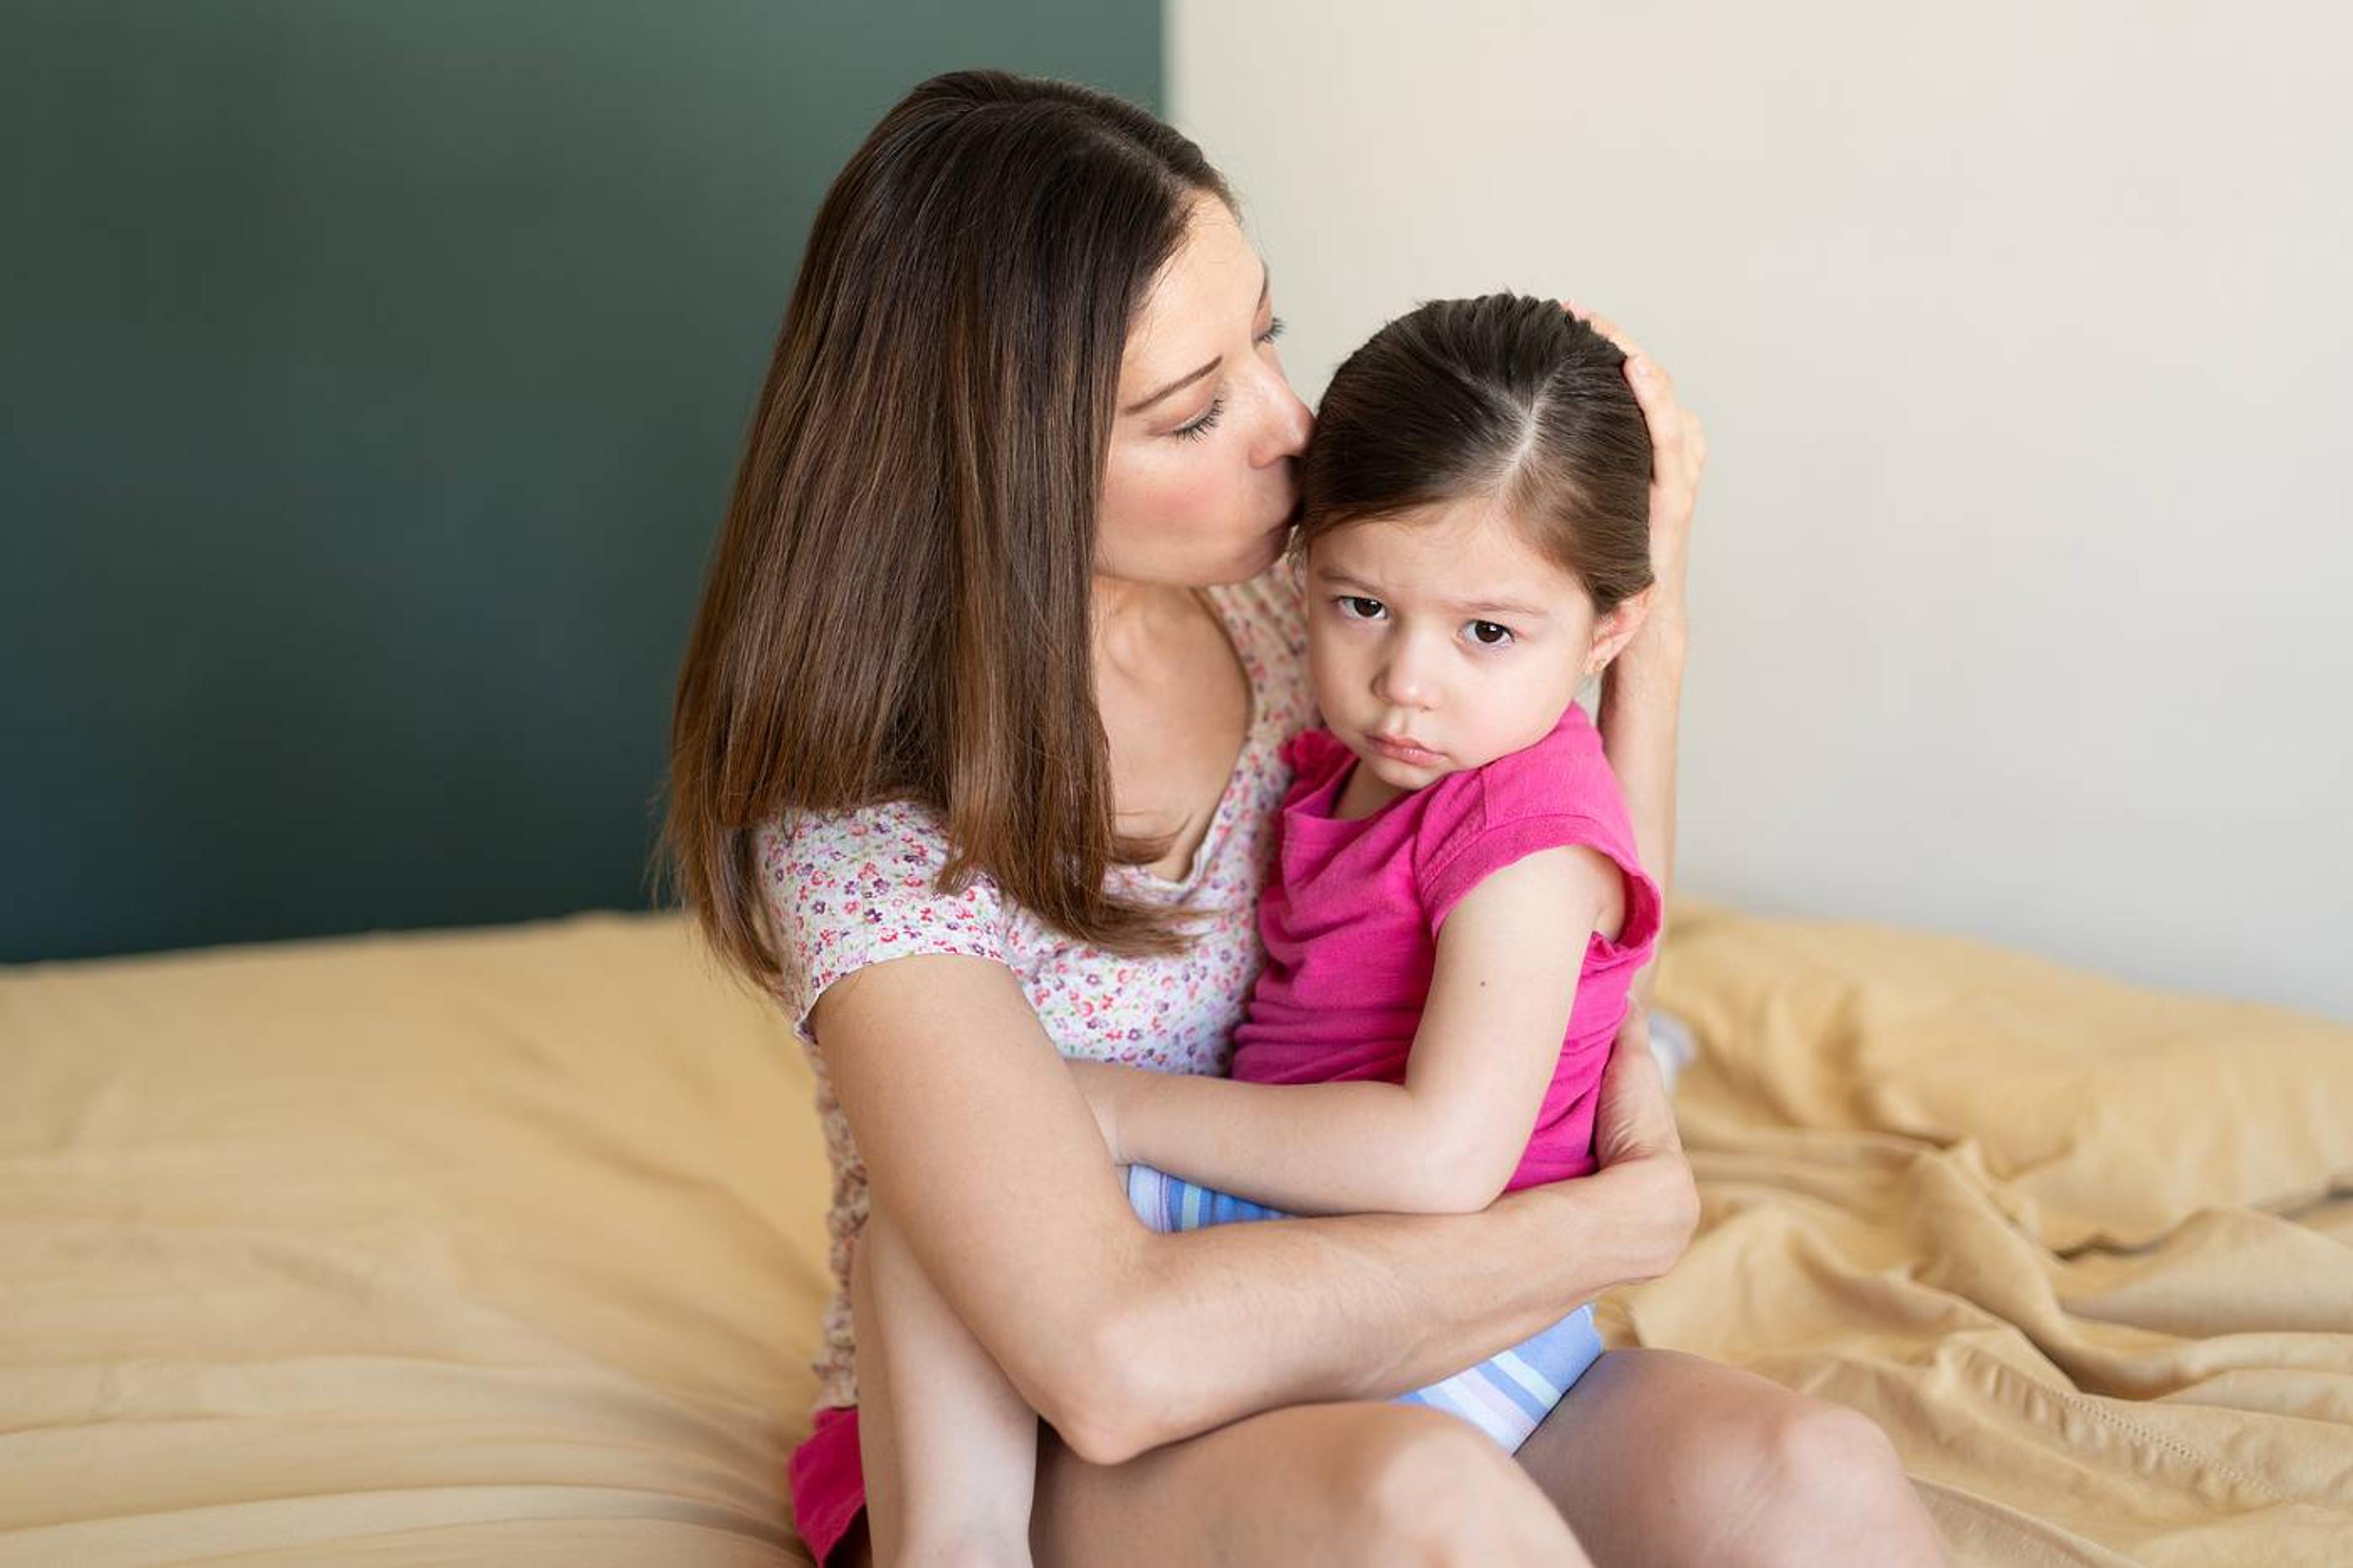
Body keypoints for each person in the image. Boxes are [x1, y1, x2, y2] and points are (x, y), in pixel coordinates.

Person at [664, 67, 1949, 1568]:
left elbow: (1550, 933)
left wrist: (1644, 632)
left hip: (1369, 1302)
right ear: (1002, 464)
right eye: (1194, 410)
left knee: (1812, 1474)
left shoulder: (1321, 614)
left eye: (1265, 334)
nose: (1292, 422)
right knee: (1423, 1503)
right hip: (1051, 1413)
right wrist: (1594, 1231)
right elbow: (1110, 1357)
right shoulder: (868, 831)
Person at [855, 292, 1682, 1561]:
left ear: (1605, 630)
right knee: (947, 1192)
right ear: (1310, 569)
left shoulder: (1523, 823)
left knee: (941, 1194)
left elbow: (1442, 1161)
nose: (1406, 682)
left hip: (1422, 1294)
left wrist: (1108, 1105)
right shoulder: (1365, 754)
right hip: (1319, 1257)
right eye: (1362, 607)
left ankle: (955, 1543)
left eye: (1486, 633)